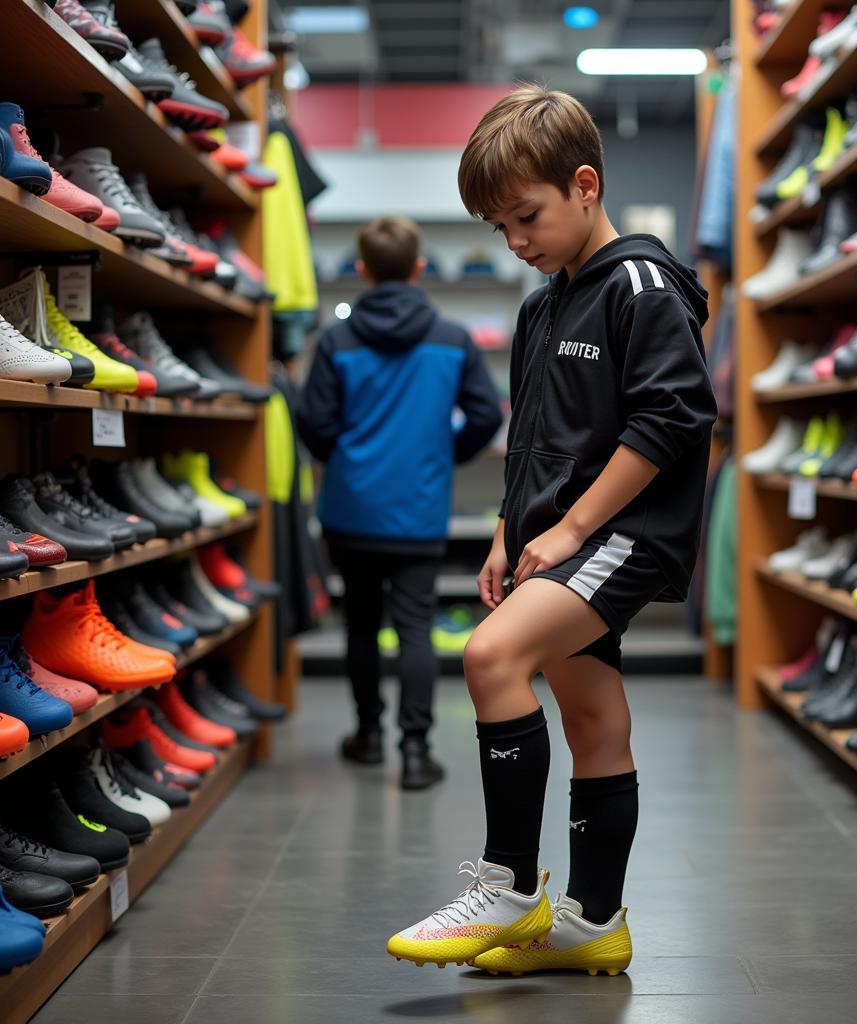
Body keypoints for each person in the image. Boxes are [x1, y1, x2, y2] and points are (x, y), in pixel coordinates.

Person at [385, 87, 717, 975]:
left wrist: (570, 529)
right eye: (500, 229)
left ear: (584, 185)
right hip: (560, 535)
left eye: (525, 216)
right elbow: (531, 436)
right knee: (593, 716)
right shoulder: (540, 306)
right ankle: (593, 923)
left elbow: (673, 419)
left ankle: (509, 887)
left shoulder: (644, 284)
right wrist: (506, 533)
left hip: (624, 533)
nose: (517, 241)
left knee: (491, 659)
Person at [297, 215, 503, 791]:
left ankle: (368, 736)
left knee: (361, 627)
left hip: (350, 510)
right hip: (419, 507)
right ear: (418, 268)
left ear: (362, 270)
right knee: (415, 627)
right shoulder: (453, 338)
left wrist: (344, 459)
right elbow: (487, 416)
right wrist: (445, 453)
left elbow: (313, 422)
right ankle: (416, 752)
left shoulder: (336, 339)